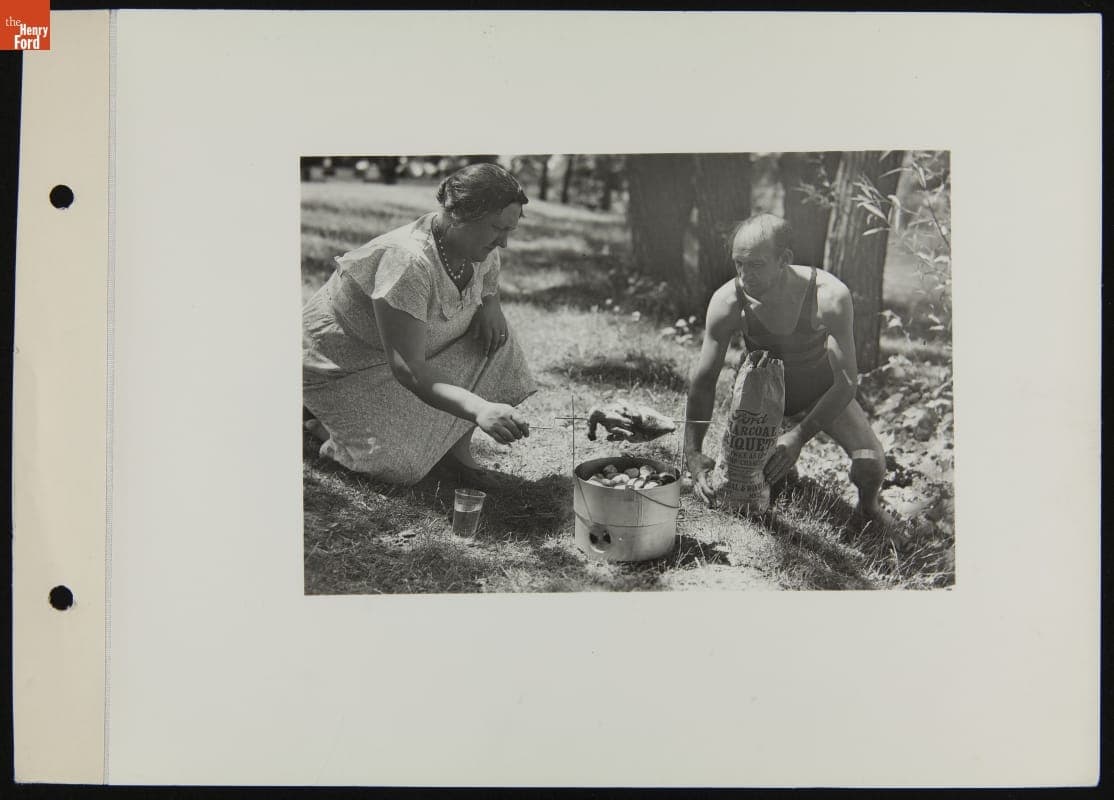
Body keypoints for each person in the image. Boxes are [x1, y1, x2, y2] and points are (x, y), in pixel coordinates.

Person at [302, 163, 536, 488]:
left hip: (400, 357)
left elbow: (489, 280)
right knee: (398, 467)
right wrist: (480, 408)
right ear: (458, 215)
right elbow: (409, 369)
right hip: (342, 370)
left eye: (510, 230)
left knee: (495, 341)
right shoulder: (407, 263)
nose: (504, 243)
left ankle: (458, 457)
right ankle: (320, 425)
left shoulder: (477, 249)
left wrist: (489, 305)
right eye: (497, 228)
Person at [684, 213, 898, 535]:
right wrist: (694, 452)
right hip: (763, 393)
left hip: (821, 391)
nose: (744, 276)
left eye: (755, 265)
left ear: (784, 259)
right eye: (738, 264)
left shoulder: (828, 296)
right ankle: (784, 471)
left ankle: (868, 507)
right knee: (757, 486)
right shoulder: (728, 300)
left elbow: (846, 382)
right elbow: (703, 381)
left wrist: (799, 436)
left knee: (870, 463)